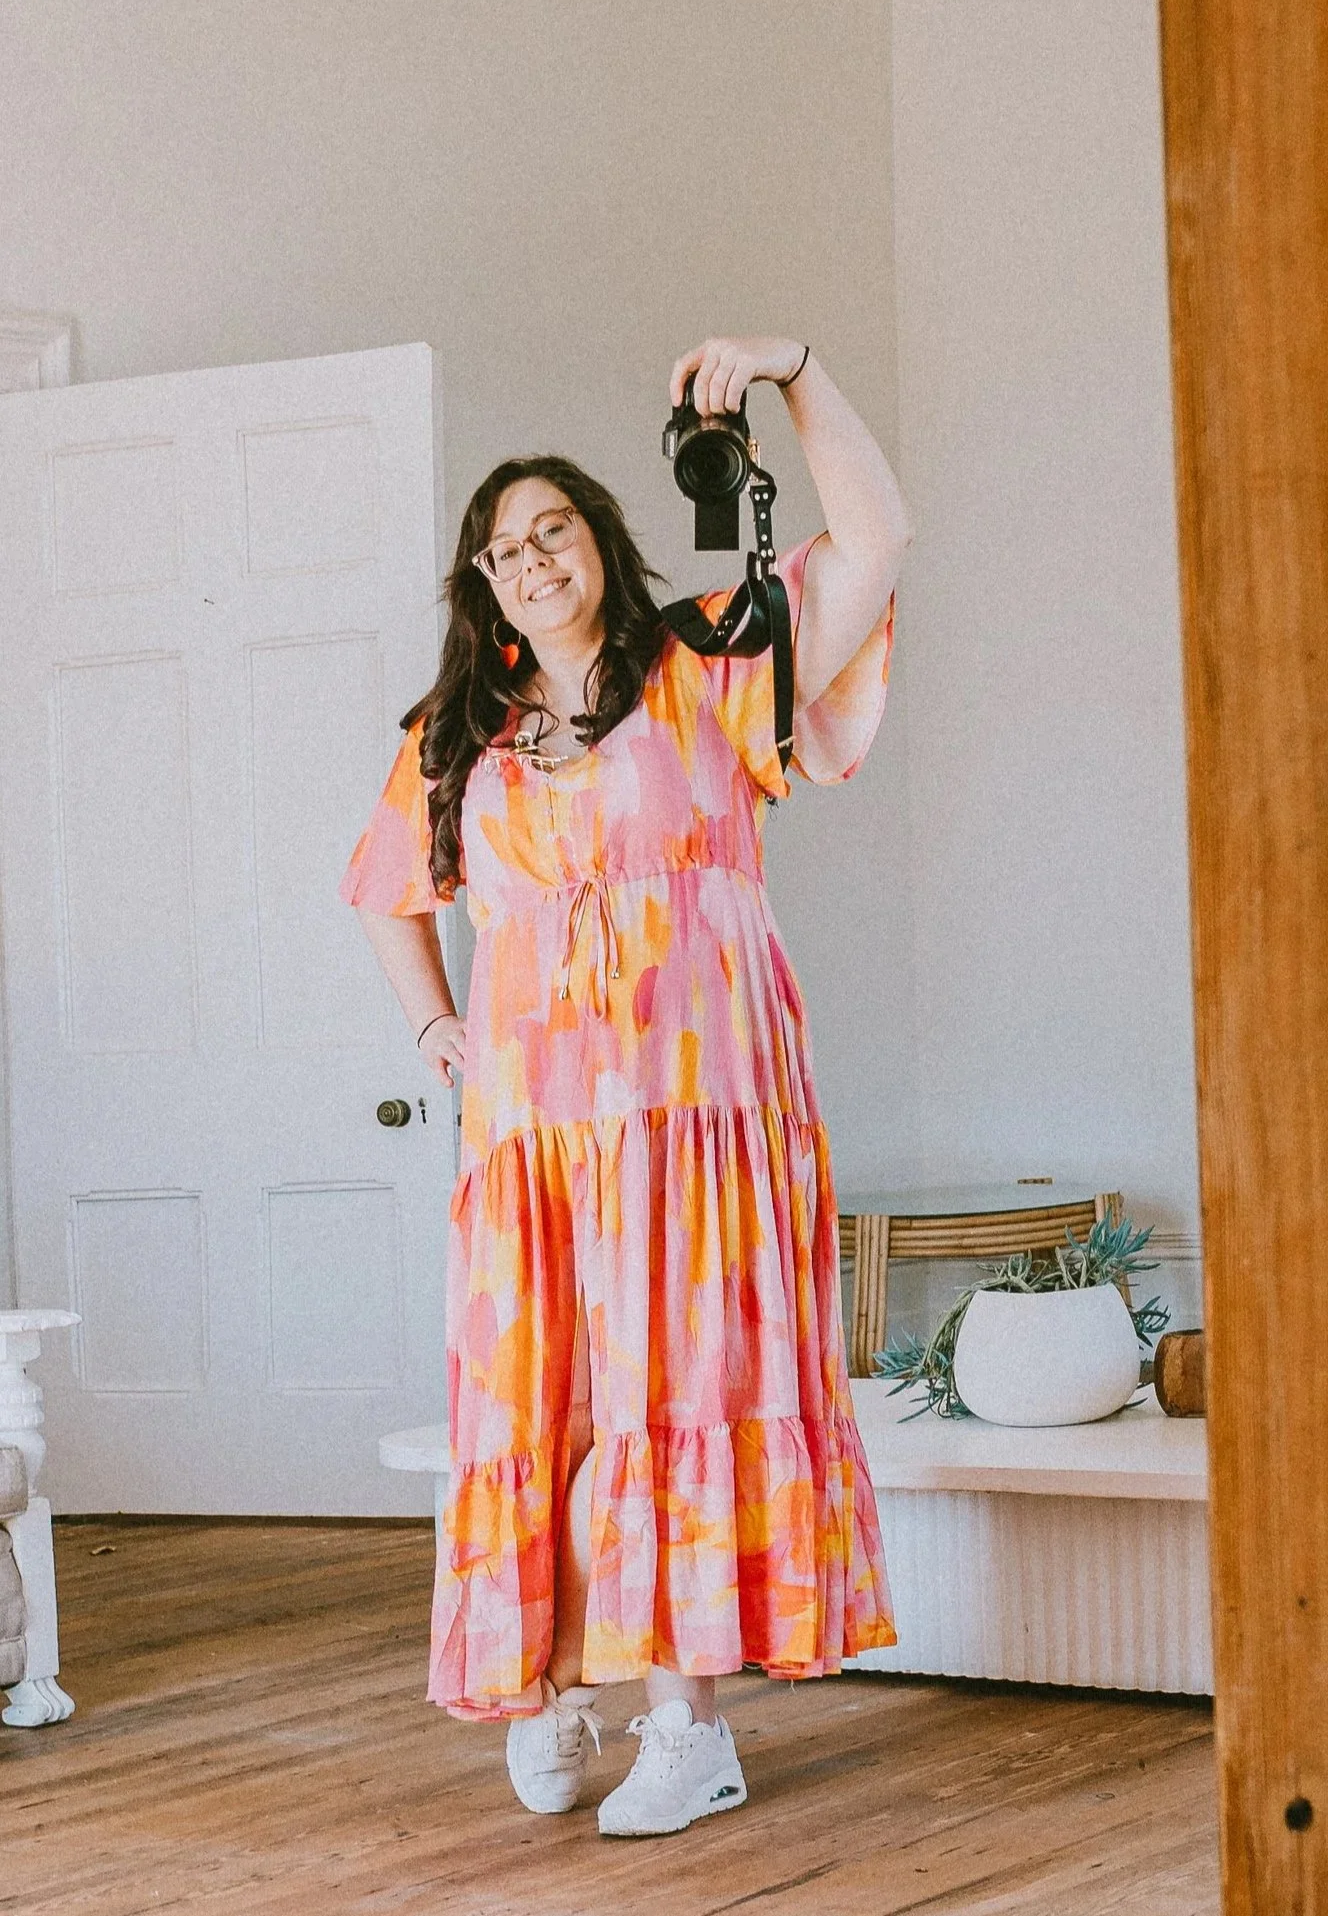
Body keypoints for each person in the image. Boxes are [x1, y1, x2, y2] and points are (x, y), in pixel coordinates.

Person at [341, 335, 911, 1839]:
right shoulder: (457, 737)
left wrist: (792, 372)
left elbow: (881, 537)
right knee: (553, 1404)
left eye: (552, 530)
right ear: (482, 587)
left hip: (700, 1116)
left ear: (601, 537)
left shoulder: (711, 666)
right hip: (532, 1134)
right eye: (500, 549)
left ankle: (689, 1728)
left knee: (680, 1395)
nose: (528, 561)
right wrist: (438, 1032)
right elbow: (388, 892)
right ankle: (553, 1692)